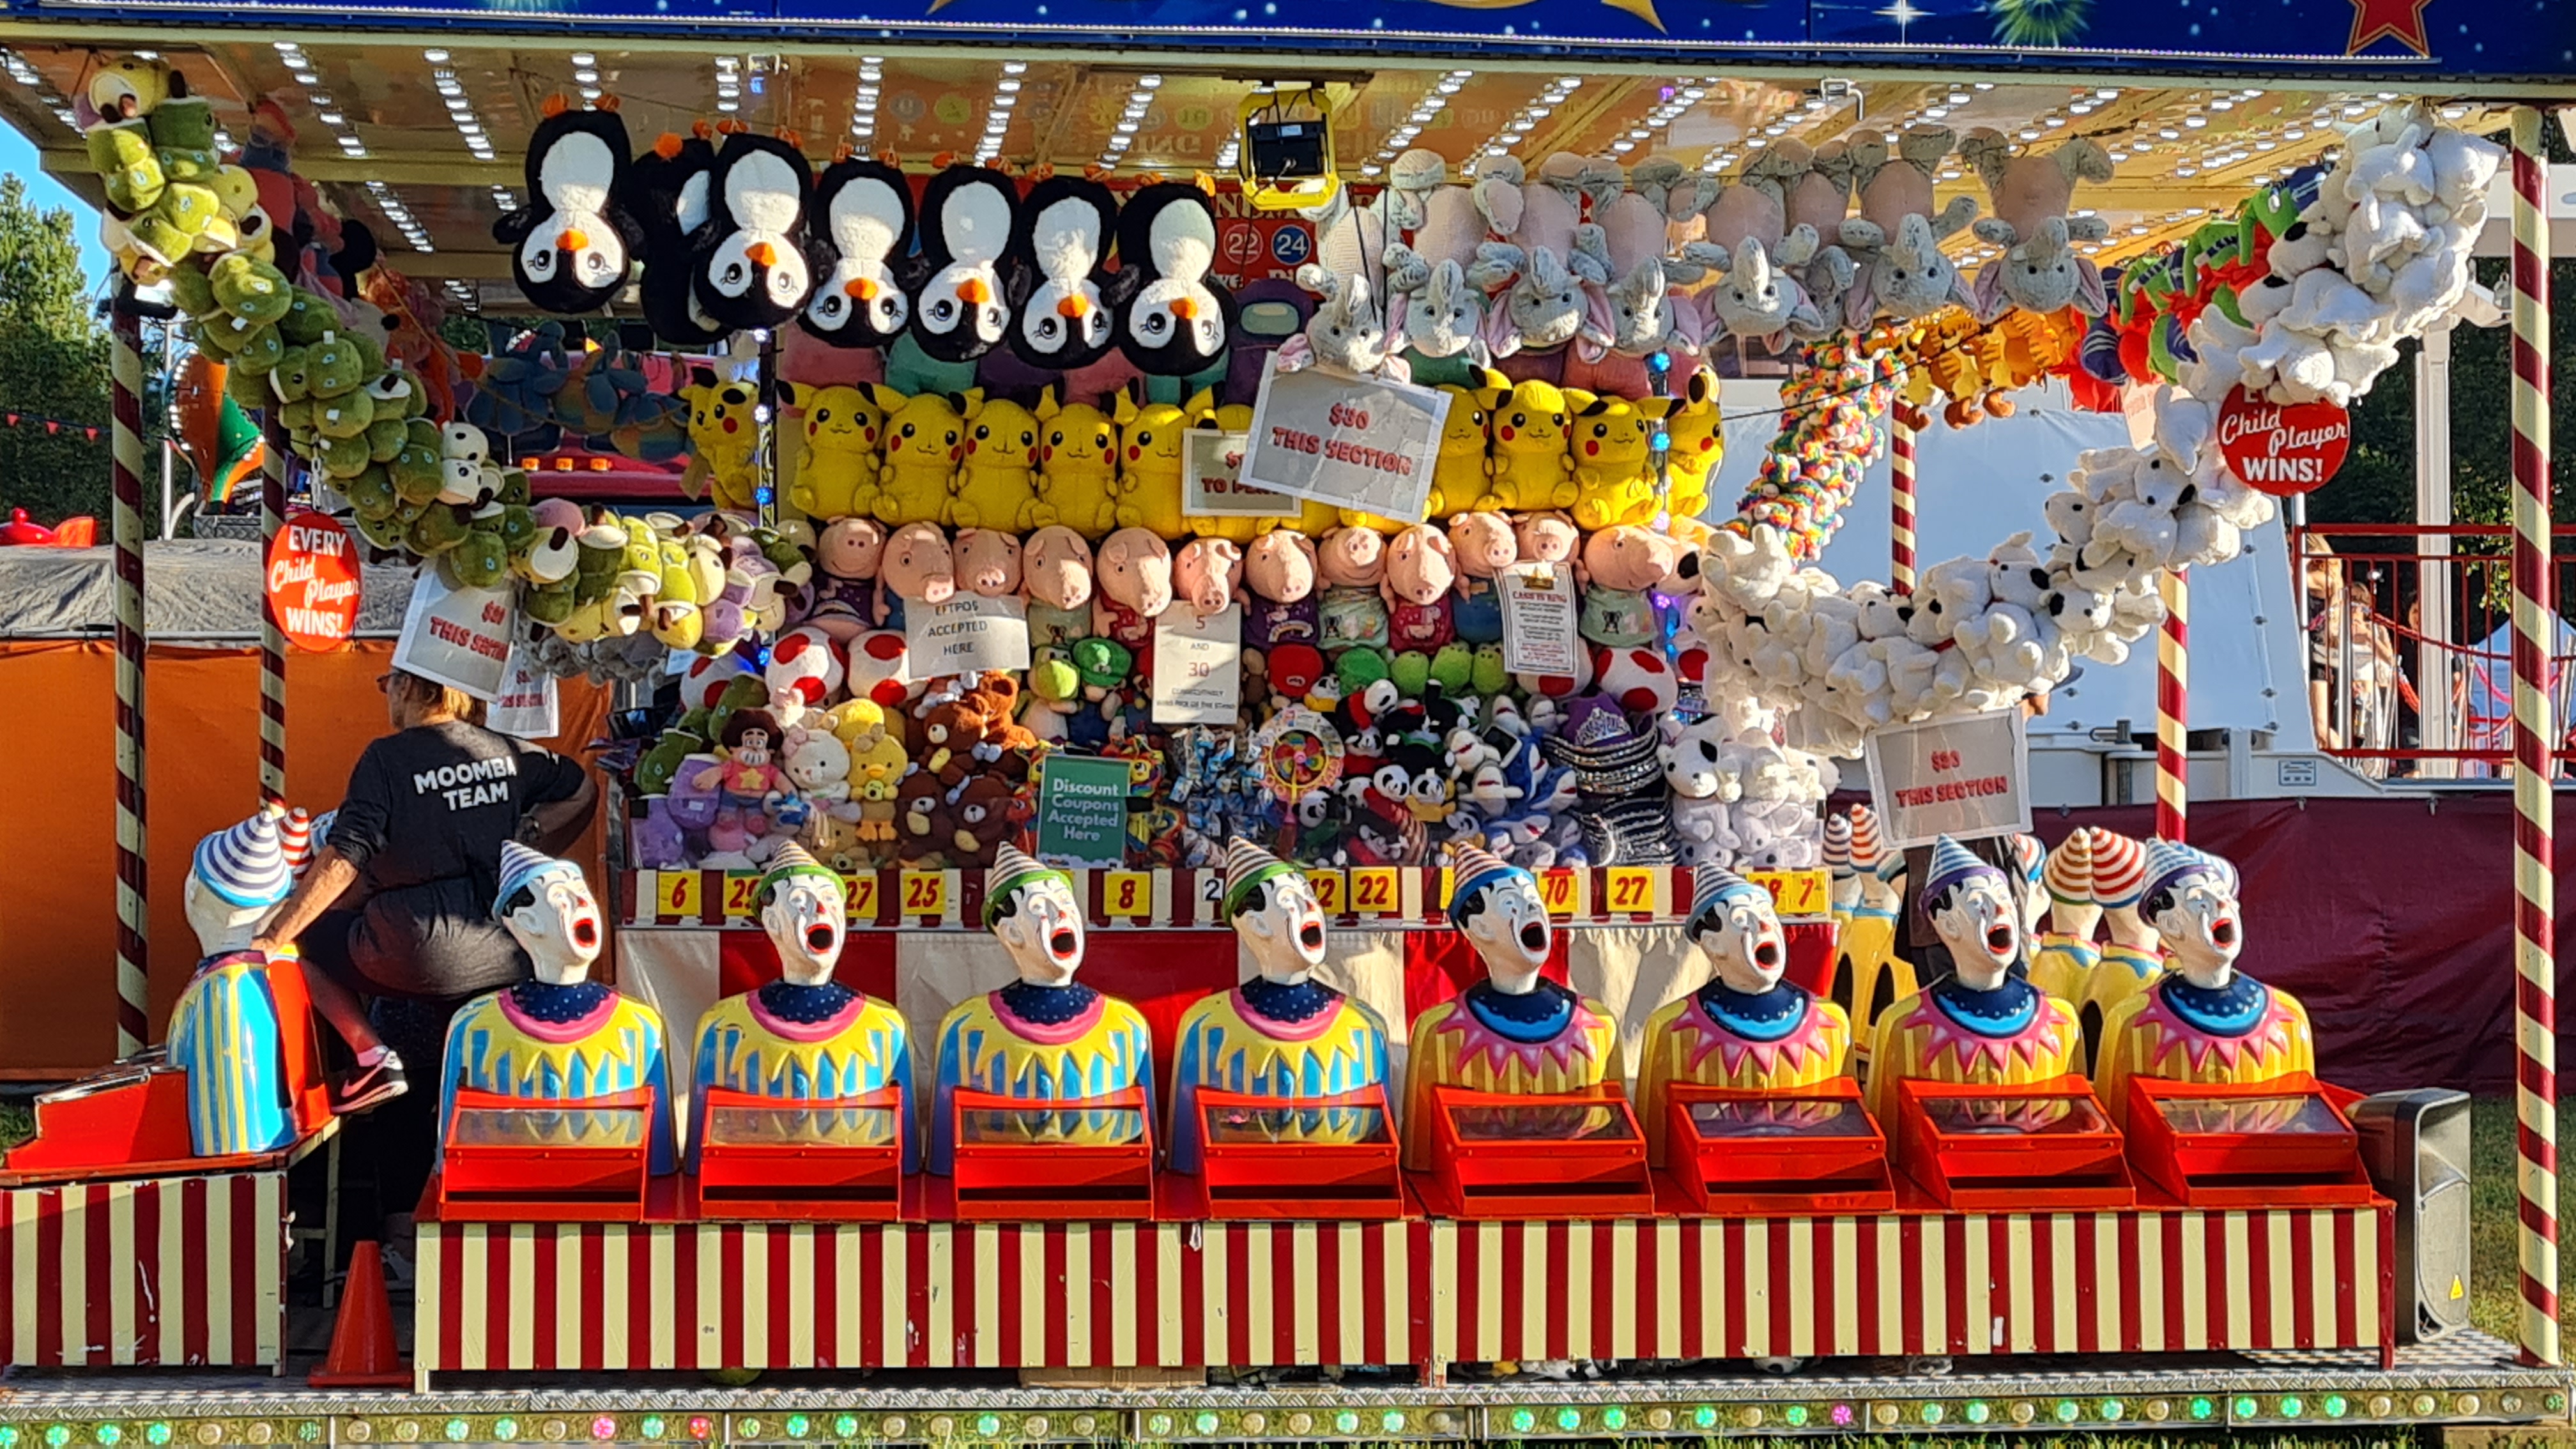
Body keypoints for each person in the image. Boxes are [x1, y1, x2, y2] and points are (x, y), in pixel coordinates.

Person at [250, 668, 597, 1113]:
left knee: (304, 945)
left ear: (410, 686)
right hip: (505, 951)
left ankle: (373, 1060)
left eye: (386, 683)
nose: (386, 695)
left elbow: (344, 856)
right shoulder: (503, 750)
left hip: (411, 952)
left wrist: (275, 934)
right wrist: (526, 836)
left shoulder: (386, 759)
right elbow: (582, 790)